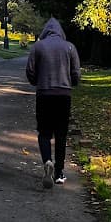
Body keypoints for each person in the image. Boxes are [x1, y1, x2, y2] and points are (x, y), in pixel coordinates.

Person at [26, 17, 80, 188]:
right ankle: (59, 172)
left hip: (44, 94)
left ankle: (47, 161)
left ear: (45, 31)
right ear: (60, 31)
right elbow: (76, 73)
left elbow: (30, 70)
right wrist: (72, 83)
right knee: (61, 134)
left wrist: (37, 82)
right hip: (63, 95)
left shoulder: (38, 47)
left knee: (44, 133)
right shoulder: (70, 47)